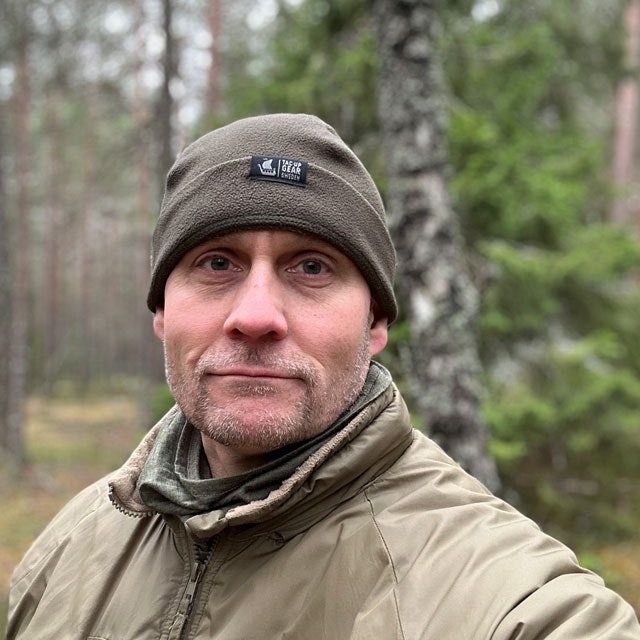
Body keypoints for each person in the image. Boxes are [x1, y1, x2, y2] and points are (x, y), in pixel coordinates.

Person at [6, 113, 640, 639]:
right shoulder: (72, 547)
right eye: (217, 262)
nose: (255, 317)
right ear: (162, 313)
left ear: (374, 324)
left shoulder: (511, 604)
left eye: (311, 267)